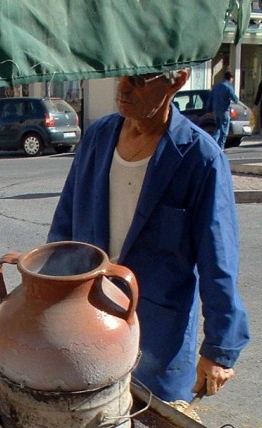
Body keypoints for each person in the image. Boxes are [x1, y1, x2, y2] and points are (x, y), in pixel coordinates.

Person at [47, 69, 251, 402]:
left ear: (177, 80)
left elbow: (219, 260)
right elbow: (64, 225)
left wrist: (219, 348)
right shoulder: (99, 139)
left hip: (158, 335)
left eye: (140, 80)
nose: (124, 88)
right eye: (122, 76)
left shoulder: (200, 158)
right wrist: (49, 296)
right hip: (89, 318)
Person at [205, 71, 240, 150]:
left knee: (217, 129)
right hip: (224, 111)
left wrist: (209, 109)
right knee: (224, 131)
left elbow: (210, 99)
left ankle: (213, 146)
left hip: (216, 111)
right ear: (230, 78)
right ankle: (220, 148)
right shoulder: (228, 87)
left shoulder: (216, 86)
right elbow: (235, 99)